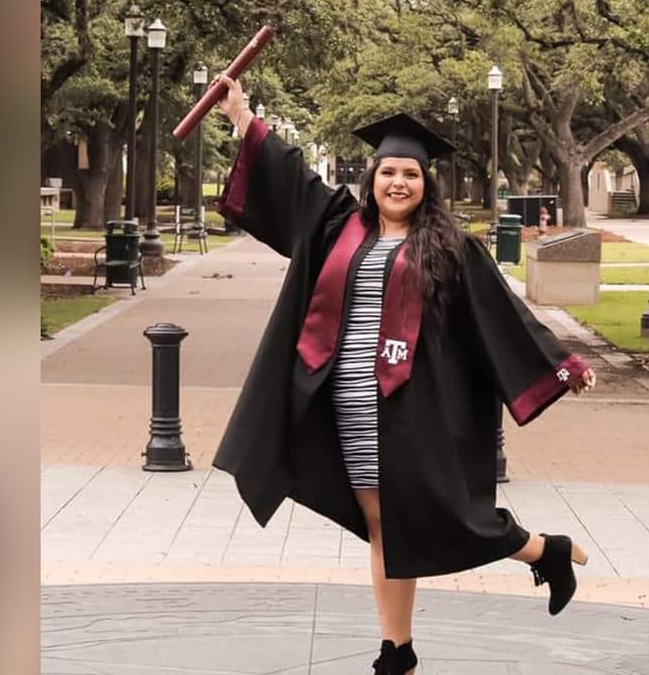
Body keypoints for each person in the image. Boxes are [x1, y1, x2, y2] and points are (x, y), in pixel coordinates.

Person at [209, 74, 597, 675]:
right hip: (348, 398)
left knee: (431, 512)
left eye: (411, 174)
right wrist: (240, 115)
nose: (398, 182)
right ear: (372, 179)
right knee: (381, 522)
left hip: (413, 404)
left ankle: (545, 551)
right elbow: (289, 178)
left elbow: (501, 312)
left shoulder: (450, 246)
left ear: (425, 184)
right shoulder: (340, 223)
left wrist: (560, 364)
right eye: (389, 172)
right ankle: (397, 649)